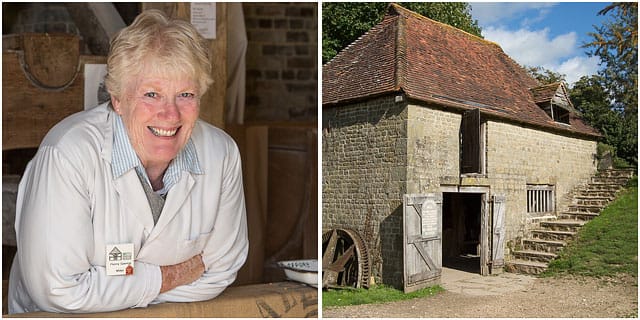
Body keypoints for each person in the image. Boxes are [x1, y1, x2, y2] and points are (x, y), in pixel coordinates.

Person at [8, 9, 248, 314]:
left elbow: (222, 272)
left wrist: (108, 286)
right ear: (118, 98)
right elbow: (58, 291)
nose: (170, 115)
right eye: (152, 94)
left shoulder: (221, 154)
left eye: (185, 94)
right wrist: (171, 275)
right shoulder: (68, 153)